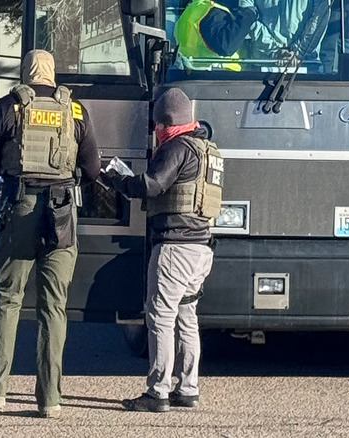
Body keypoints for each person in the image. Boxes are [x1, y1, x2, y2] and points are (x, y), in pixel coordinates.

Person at [0, 49, 100, 418]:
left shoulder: (10, 107)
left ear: (26, 73)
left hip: (20, 208)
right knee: (53, 307)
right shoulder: (75, 110)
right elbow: (91, 168)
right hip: (62, 214)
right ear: (52, 73)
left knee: (8, 299)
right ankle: (50, 400)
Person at [102, 88, 222, 413]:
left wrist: (116, 180)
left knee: (160, 316)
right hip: (201, 247)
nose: (156, 132)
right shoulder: (207, 150)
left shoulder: (177, 147)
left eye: (157, 125)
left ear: (166, 123)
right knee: (187, 316)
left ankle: (158, 392)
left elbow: (152, 185)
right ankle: (188, 387)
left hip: (175, 246)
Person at [174, 0, 258, 71]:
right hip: (220, 78)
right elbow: (226, 45)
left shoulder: (193, 8)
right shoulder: (212, 13)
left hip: (191, 74)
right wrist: (249, 13)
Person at [242, 0, 333, 62]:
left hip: (306, 64)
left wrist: (296, 51)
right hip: (263, 64)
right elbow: (245, 11)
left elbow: (320, 17)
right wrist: (296, 53)